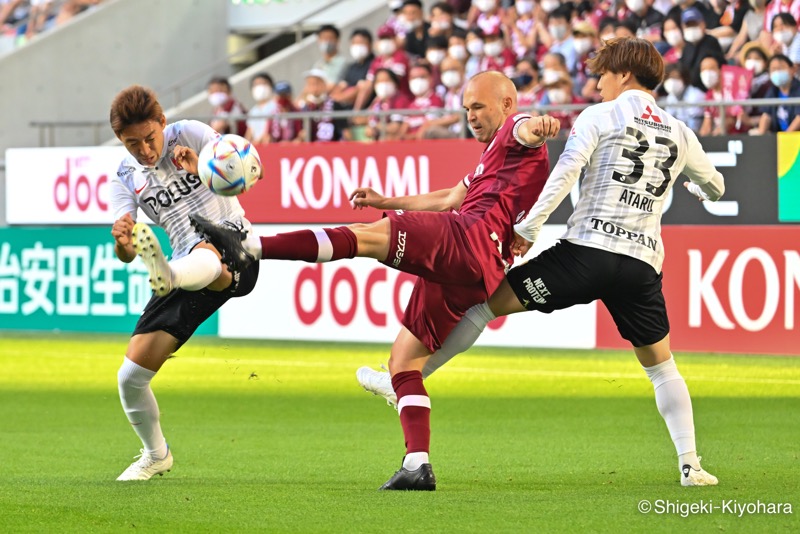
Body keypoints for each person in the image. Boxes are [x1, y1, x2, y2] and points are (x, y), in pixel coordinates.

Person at [358, 37, 724, 488]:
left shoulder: (600, 116)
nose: (597, 84)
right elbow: (717, 187)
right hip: (640, 264)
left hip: (587, 252)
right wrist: (697, 189)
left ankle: (404, 379)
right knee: (661, 367)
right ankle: (691, 466)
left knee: (482, 304)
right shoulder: (680, 132)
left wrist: (529, 228)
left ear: (624, 75)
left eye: (603, 75)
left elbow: (566, 170)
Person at [189, 71, 561, 491]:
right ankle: (417, 463)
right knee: (403, 362)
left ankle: (250, 246)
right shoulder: (492, 155)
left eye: (478, 107)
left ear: (507, 104)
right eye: (466, 109)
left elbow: (532, 130)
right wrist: (386, 201)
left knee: (363, 237)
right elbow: (447, 198)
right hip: (479, 269)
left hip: (468, 239)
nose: (470, 116)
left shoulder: (516, 128)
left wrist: (542, 125)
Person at [108, 85, 259, 481]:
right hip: (184, 264)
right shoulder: (124, 178)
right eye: (131, 143)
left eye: (149, 137)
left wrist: (201, 168)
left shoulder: (190, 132)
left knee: (209, 253)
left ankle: (169, 274)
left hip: (235, 242)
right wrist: (123, 241)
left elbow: (244, 174)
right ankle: (156, 454)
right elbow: (124, 252)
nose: (143, 149)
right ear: (120, 141)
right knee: (130, 377)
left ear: (162, 122)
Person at [750, 54, 800, 134]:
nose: (777, 72)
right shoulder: (772, 90)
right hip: (780, 137)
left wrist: (786, 136)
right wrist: (760, 135)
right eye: (773, 69)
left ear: (792, 70)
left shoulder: (798, 89)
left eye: (781, 68)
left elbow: (799, 118)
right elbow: (766, 115)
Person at [245, 73, 276, 144]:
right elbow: (250, 131)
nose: (260, 87)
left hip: (270, 144)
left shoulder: (276, 106)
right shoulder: (253, 111)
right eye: (256, 84)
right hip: (256, 147)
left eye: (263, 83)